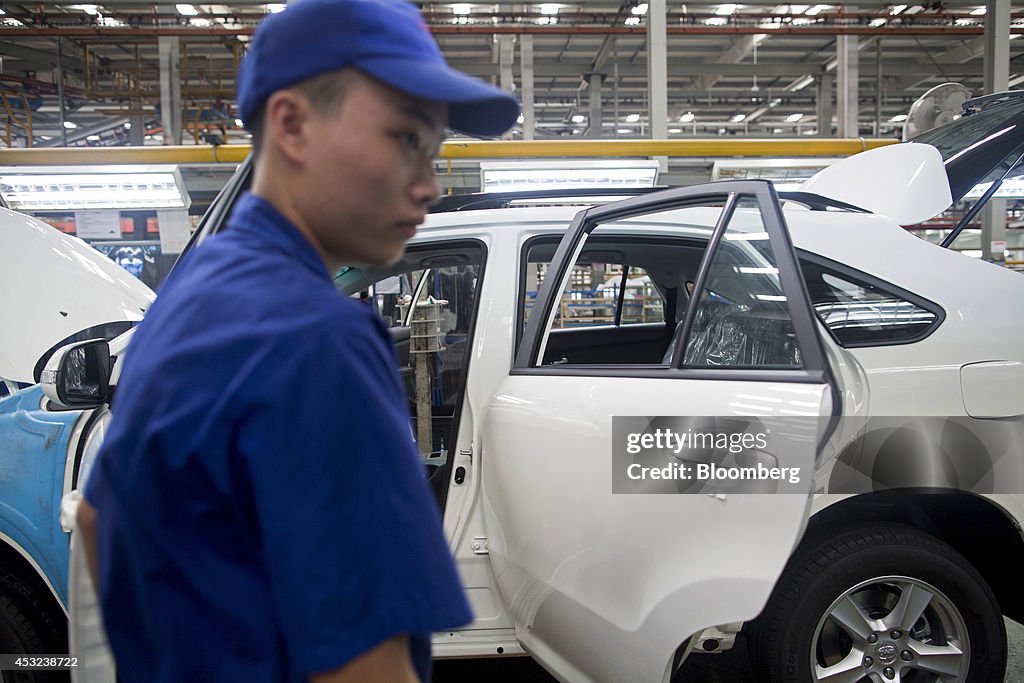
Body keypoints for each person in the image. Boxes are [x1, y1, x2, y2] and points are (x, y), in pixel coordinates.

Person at [75, 1, 518, 681]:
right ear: (292, 124)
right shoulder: (317, 339)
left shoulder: (185, 302)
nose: (430, 185)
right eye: (406, 139)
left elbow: (97, 522)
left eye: (434, 152)